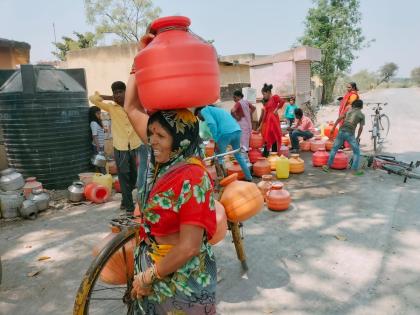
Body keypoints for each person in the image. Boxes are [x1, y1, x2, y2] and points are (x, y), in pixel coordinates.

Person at [124, 31, 218, 314]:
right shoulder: (163, 158)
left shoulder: (192, 177)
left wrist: (147, 277)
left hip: (182, 280)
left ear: (180, 140)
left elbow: (189, 247)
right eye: (150, 133)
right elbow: (130, 106)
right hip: (156, 271)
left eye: (159, 136)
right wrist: (138, 62)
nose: (151, 140)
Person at [89, 81, 141, 214]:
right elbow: (93, 99)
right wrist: (110, 98)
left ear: (126, 92)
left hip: (134, 145)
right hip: (120, 147)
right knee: (123, 176)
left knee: (134, 176)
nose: (117, 95)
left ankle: (125, 200)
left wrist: (127, 98)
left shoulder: (133, 105)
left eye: (120, 92)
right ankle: (129, 207)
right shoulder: (112, 108)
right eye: (115, 93)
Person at [195, 105, 253, 182]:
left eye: (197, 116)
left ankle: (224, 182)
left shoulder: (204, 110)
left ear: (199, 112)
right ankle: (249, 177)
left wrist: (216, 140)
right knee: (238, 155)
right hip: (237, 130)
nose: (199, 119)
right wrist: (216, 143)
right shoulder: (217, 110)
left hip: (226, 133)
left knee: (218, 158)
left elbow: (212, 124)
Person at [323, 99, 365, 175]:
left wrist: (333, 127)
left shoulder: (349, 110)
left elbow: (340, 118)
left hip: (341, 131)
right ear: (361, 107)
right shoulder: (361, 115)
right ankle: (354, 171)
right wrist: (357, 137)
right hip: (350, 134)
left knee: (334, 149)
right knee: (356, 152)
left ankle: (327, 166)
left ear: (354, 105)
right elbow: (361, 127)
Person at [257, 83, 285, 157]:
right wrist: (261, 125)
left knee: (274, 137)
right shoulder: (266, 103)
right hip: (268, 121)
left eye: (264, 94)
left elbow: (282, 101)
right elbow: (265, 114)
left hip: (274, 120)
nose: (263, 96)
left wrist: (276, 109)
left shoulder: (275, 97)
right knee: (267, 137)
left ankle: (274, 154)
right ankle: (266, 153)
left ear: (269, 92)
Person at [88, 106, 106, 174]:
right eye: (98, 113)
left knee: (100, 162)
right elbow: (94, 135)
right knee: (100, 163)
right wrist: (98, 146)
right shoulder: (93, 123)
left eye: (100, 113)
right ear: (93, 114)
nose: (99, 115)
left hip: (101, 145)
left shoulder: (97, 122)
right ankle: (104, 176)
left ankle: (103, 176)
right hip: (97, 146)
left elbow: (99, 132)